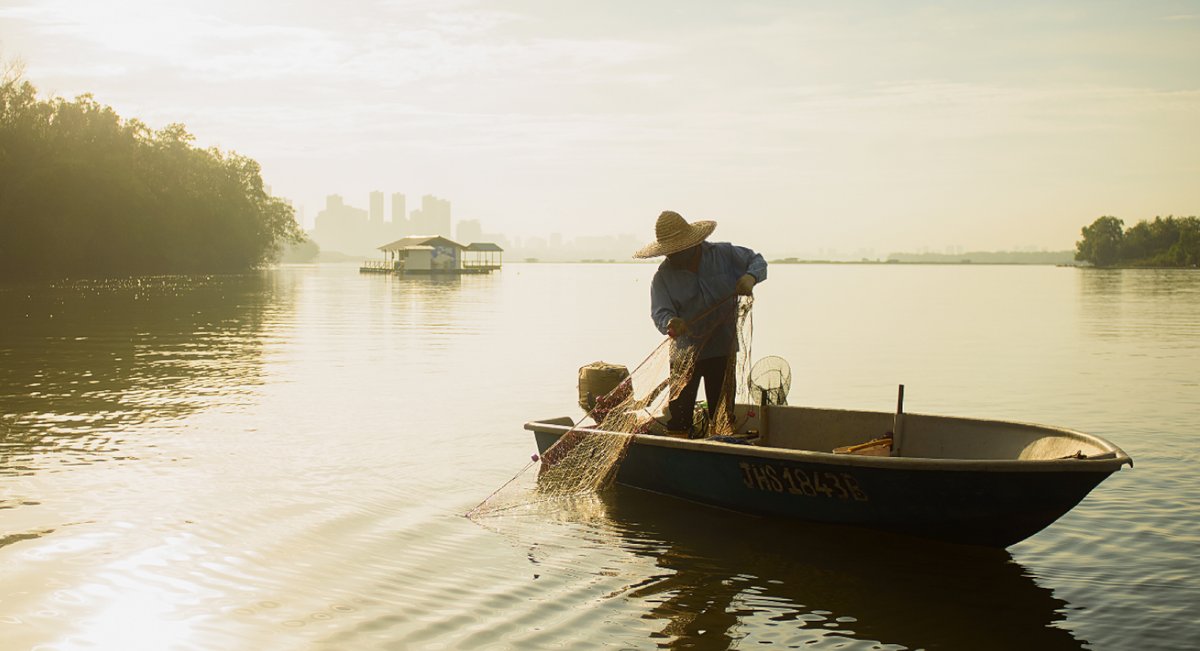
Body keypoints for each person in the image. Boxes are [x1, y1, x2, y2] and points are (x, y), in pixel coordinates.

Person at [634, 210, 767, 437]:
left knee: (722, 413)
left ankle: (721, 449)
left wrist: (750, 277)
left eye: (677, 249)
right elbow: (660, 312)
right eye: (669, 251)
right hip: (685, 355)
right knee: (680, 417)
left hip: (722, 349)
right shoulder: (663, 277)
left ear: (692, 243)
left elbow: (757, 260)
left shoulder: (723, 254)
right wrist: (671, 323)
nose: (673, 256)